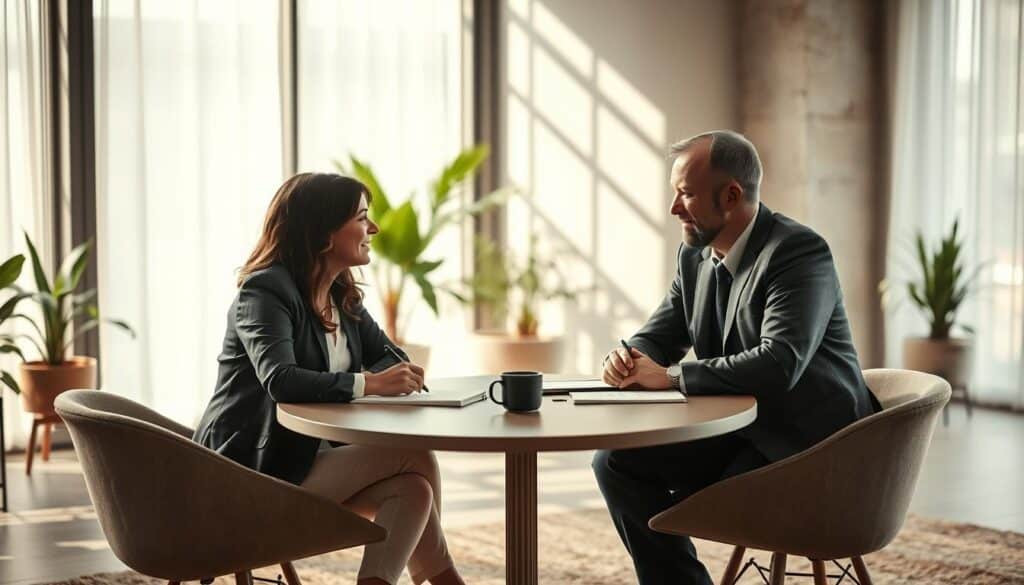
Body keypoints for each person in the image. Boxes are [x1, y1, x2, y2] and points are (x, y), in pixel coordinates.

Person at [592, 130, 880, 585]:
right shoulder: (694, 257)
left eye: (685, 194)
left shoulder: (798, 253)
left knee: (660, 471)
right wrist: (628, 357)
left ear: (731, 195)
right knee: (614, 460)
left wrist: (667, 377)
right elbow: (660, 334)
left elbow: (778, 362)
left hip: (810, 451)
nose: (673, 209)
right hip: (743, 434)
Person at [194, 173, 466, 585]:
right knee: (417, 456)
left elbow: (391, 356)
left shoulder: (341, 294)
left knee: (414, 490)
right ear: (322, 231)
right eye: (361, 218)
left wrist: (384, 374)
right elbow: (281, 380)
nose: (373, 228)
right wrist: (369, 384)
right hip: (249, 473)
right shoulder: (265, 292)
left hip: (303, 460)